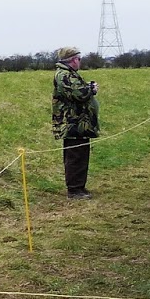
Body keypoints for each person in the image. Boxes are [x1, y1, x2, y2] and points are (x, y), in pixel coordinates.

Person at [51, 46, 99, 198]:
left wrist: (88, 88)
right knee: (75, 156)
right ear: (72, 60)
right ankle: (74, 190)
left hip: (79, 123)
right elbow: (78, 94)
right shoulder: (64, 75)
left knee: (81, 155)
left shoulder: (70, 74)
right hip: (72, 123)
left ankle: (80, 187)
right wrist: (91, 90)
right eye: (79, 58)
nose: (80, 61)